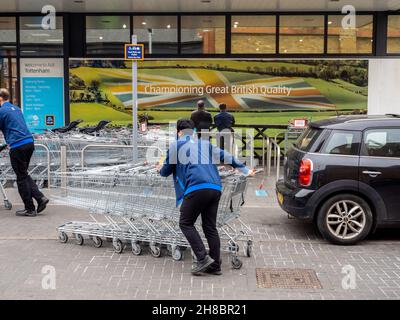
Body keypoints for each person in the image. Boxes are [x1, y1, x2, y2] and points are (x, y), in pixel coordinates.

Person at [157, 119, 254, 275]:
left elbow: (166, 171)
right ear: (193, 131)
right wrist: (243, 168)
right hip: (215, 188)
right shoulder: (204, 144)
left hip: (196, 187)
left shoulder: (177, 144)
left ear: (178, 132)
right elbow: (225, 155)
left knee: (185, 223)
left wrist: (159, 169)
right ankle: (215, 266)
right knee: (210, 227)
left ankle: (202, 258)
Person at [0, 88, 49, 217]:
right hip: (28, 143)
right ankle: (40, 198)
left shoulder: (1, 111)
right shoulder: (16, 109)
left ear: (0, 98)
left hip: (18, 146)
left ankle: (30, 208)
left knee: (21, 178)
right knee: (24, 174)